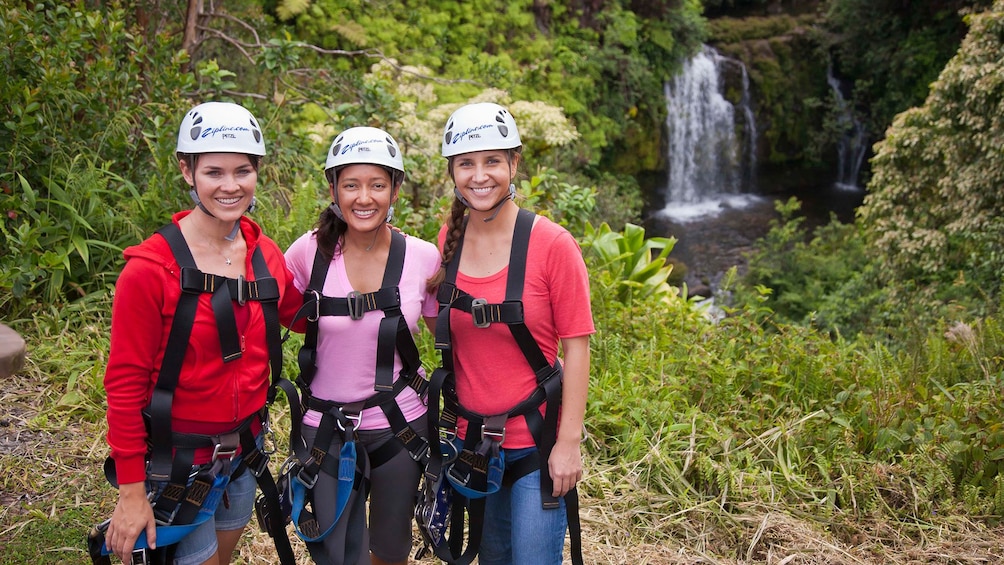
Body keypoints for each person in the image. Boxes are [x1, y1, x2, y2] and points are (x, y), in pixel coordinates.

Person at [100, 101, 301, 565]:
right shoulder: (151, 271)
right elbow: (125, 384)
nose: (230, 186)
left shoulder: (263, 252)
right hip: (177, 462)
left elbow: (301, 316)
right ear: (187, 171)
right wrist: (131, 491)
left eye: (243, 171)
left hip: (242, 453)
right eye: (214, 172)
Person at [426, 102, 594, 565]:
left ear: (514, 163)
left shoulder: (552, 245)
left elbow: (577, 348)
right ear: (453, 172)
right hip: (471, 442)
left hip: (536, 444)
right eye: (466, 164)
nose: (480, 176)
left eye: (492, 161)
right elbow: (440, 326)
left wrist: (569, 442)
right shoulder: (449, 241)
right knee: (491, 557)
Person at [283, 126, 441, 564]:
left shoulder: (422, 257)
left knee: (391, 550)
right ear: (333, 188)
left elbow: (448, 334)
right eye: (351, 184)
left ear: (395, 189)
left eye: (377, 184)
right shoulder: (307, 254)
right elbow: (271, 313)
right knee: (336, 553)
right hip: (326, 425)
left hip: (400, 424)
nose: (364, 197)